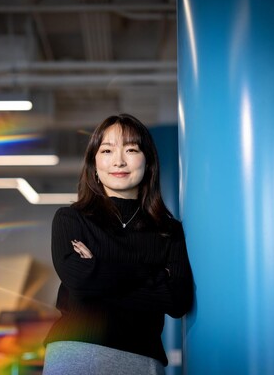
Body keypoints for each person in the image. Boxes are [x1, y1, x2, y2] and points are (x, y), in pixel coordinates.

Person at [42, 113, 194, 375]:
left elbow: (178, 301)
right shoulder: (71, 219)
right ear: (94, 163)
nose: (119, 160)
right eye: (107, 150)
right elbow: (80, 281)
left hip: (141, 359)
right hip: (74, 355)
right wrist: (152, 273)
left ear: (148, 162)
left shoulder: (169, 231)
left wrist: (98, 267)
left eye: (131, 149)